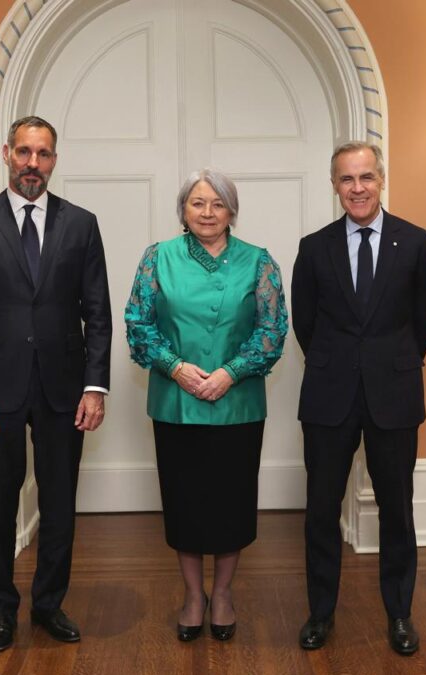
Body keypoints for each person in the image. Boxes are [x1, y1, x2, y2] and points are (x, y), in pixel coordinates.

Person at [0, 115, 112, 653]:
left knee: (60, 501)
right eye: (24, 152)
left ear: (55, 160)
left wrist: (95, 386)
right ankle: (0, 611)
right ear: (7, 155)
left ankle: (48, 605)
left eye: (43, 154)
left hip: (65, 389)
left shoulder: (81, 224)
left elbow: (98, 313)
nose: (32, 164)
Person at [125, 169, 288, 642]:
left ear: (231, 210)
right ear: (183, 210)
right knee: (185, 504)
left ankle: (223, 593)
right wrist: (176, 367)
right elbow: (138, 324)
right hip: (176, 404)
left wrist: (230, 373)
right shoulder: (158, 258)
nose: (208, 213)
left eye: (218, 204)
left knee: (232, 505)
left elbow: (272, 329)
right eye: (198, 203)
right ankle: (193, 595)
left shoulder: (259, 262)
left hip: (238, 406)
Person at [291, 142, 426, 655]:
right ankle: (320, 613)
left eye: (366, 177)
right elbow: (304, 323)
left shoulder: (416, 242)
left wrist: (389, 361)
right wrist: (340, 362)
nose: (358, 188)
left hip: (394, 396)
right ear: (335, 185)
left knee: (398, 510)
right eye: (347, 179)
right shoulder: (314, 247)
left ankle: (399, 614)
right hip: (329, 397)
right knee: (320, 511)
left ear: (382, 180)